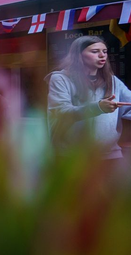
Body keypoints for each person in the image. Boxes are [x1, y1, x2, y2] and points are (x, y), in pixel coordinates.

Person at [47, 35, 131, 165]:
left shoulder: (112, 80)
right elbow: (61, 112)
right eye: (95, 51)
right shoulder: (61, 79)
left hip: (109, 155)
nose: (102, 55)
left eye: (104, 51)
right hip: (72, 156)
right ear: (78, 55)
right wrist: (98, 107)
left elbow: (129, 104)